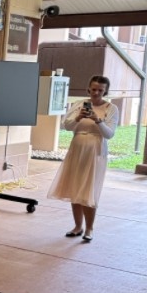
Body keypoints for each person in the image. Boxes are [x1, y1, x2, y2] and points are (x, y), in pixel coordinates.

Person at [47, 75, 119, 242]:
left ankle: (89, 228)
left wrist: (98, 120)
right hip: (77, 148)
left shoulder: (111, 108)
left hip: (95, 150)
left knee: (89, 189)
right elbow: (67, 126)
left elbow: (109, 134)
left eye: (100, 90)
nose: (96, 93)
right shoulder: (79, 104)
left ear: (105, 91)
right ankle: (77, 226)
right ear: (88, 89)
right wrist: (78, 117)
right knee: (76, 187)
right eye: (93, 89)